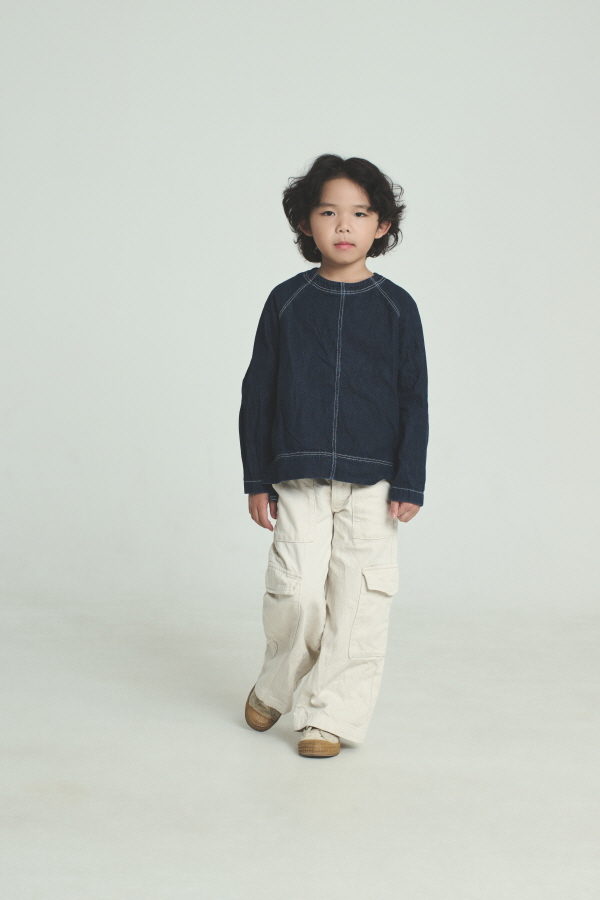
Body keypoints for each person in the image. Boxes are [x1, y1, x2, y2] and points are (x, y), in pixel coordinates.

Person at [238, 154, 429, 758]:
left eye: (360, 214)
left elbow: (414, 396)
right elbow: (258, 392)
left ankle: (329, 717)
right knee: (295, 591)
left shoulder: (398, 307)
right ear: (305, 223)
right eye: (328, 212)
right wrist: (257, 476)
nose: (344, 225)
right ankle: (277, 683)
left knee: (358, 603)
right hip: (298, 477)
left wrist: (410, 480)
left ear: (382, 226)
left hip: (374, 483)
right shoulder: (286, 302)